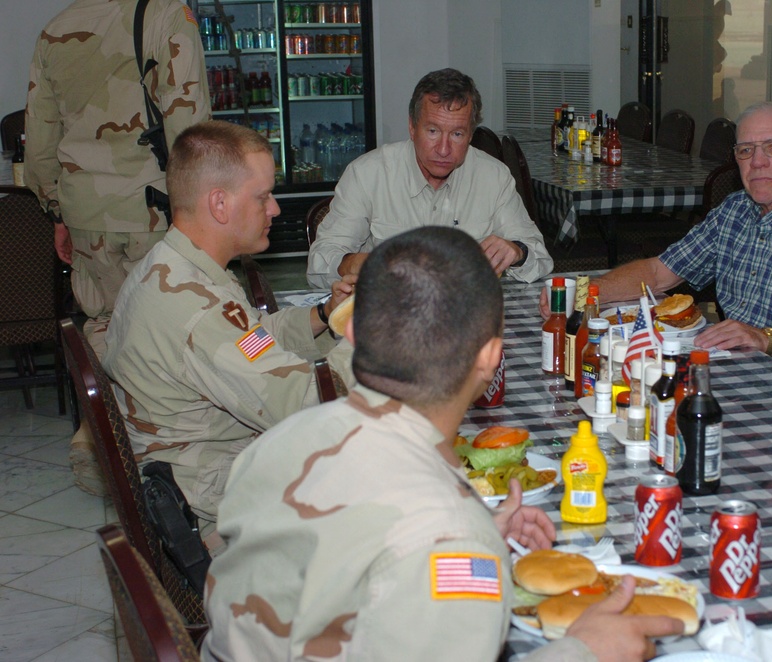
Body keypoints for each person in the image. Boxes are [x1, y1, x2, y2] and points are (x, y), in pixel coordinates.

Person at [202, 227, 683, 662]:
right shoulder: (450, 535)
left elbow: (336, 564)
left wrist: (474, 538)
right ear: (490, 359)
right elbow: (425, 539)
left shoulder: (278, 441)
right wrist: (585, 651)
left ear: (353, 332)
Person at [103, 121, 355, 541]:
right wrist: (367, 334)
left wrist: (326, 316)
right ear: (219, 204)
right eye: (262, 197)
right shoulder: (196, 309)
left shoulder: (176, 267)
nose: (274, 208)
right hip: (220, 517)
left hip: (205, 474)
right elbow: (309, 405)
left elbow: (250, 340)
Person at [541, 101, 772, 358]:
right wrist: (584, 291)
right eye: (746, 150)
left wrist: (765, 339)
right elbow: (659, 273)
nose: (758, 162)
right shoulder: (735, 211)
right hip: (731, 369)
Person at [25, 0, 210, 356]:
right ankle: (158, 411)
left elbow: (40, 139)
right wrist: (205, 203)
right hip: (156, 208)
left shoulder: (55, 29)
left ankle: (107, 408)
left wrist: (56, 211)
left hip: (85, 213)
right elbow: (187, 120)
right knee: (176, 326)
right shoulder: (167, 13)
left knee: (107, 322)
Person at [306, 68, 553, 290]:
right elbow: (318, 264)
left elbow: (540, 258)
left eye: (457, 134)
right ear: (412, 127)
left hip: (468, 315)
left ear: (470, 136)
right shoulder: (368, 174)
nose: (444, 149)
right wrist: (354, 263)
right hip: (388, 316)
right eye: (433, 131)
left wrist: (517, 251)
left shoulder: (494, 177)